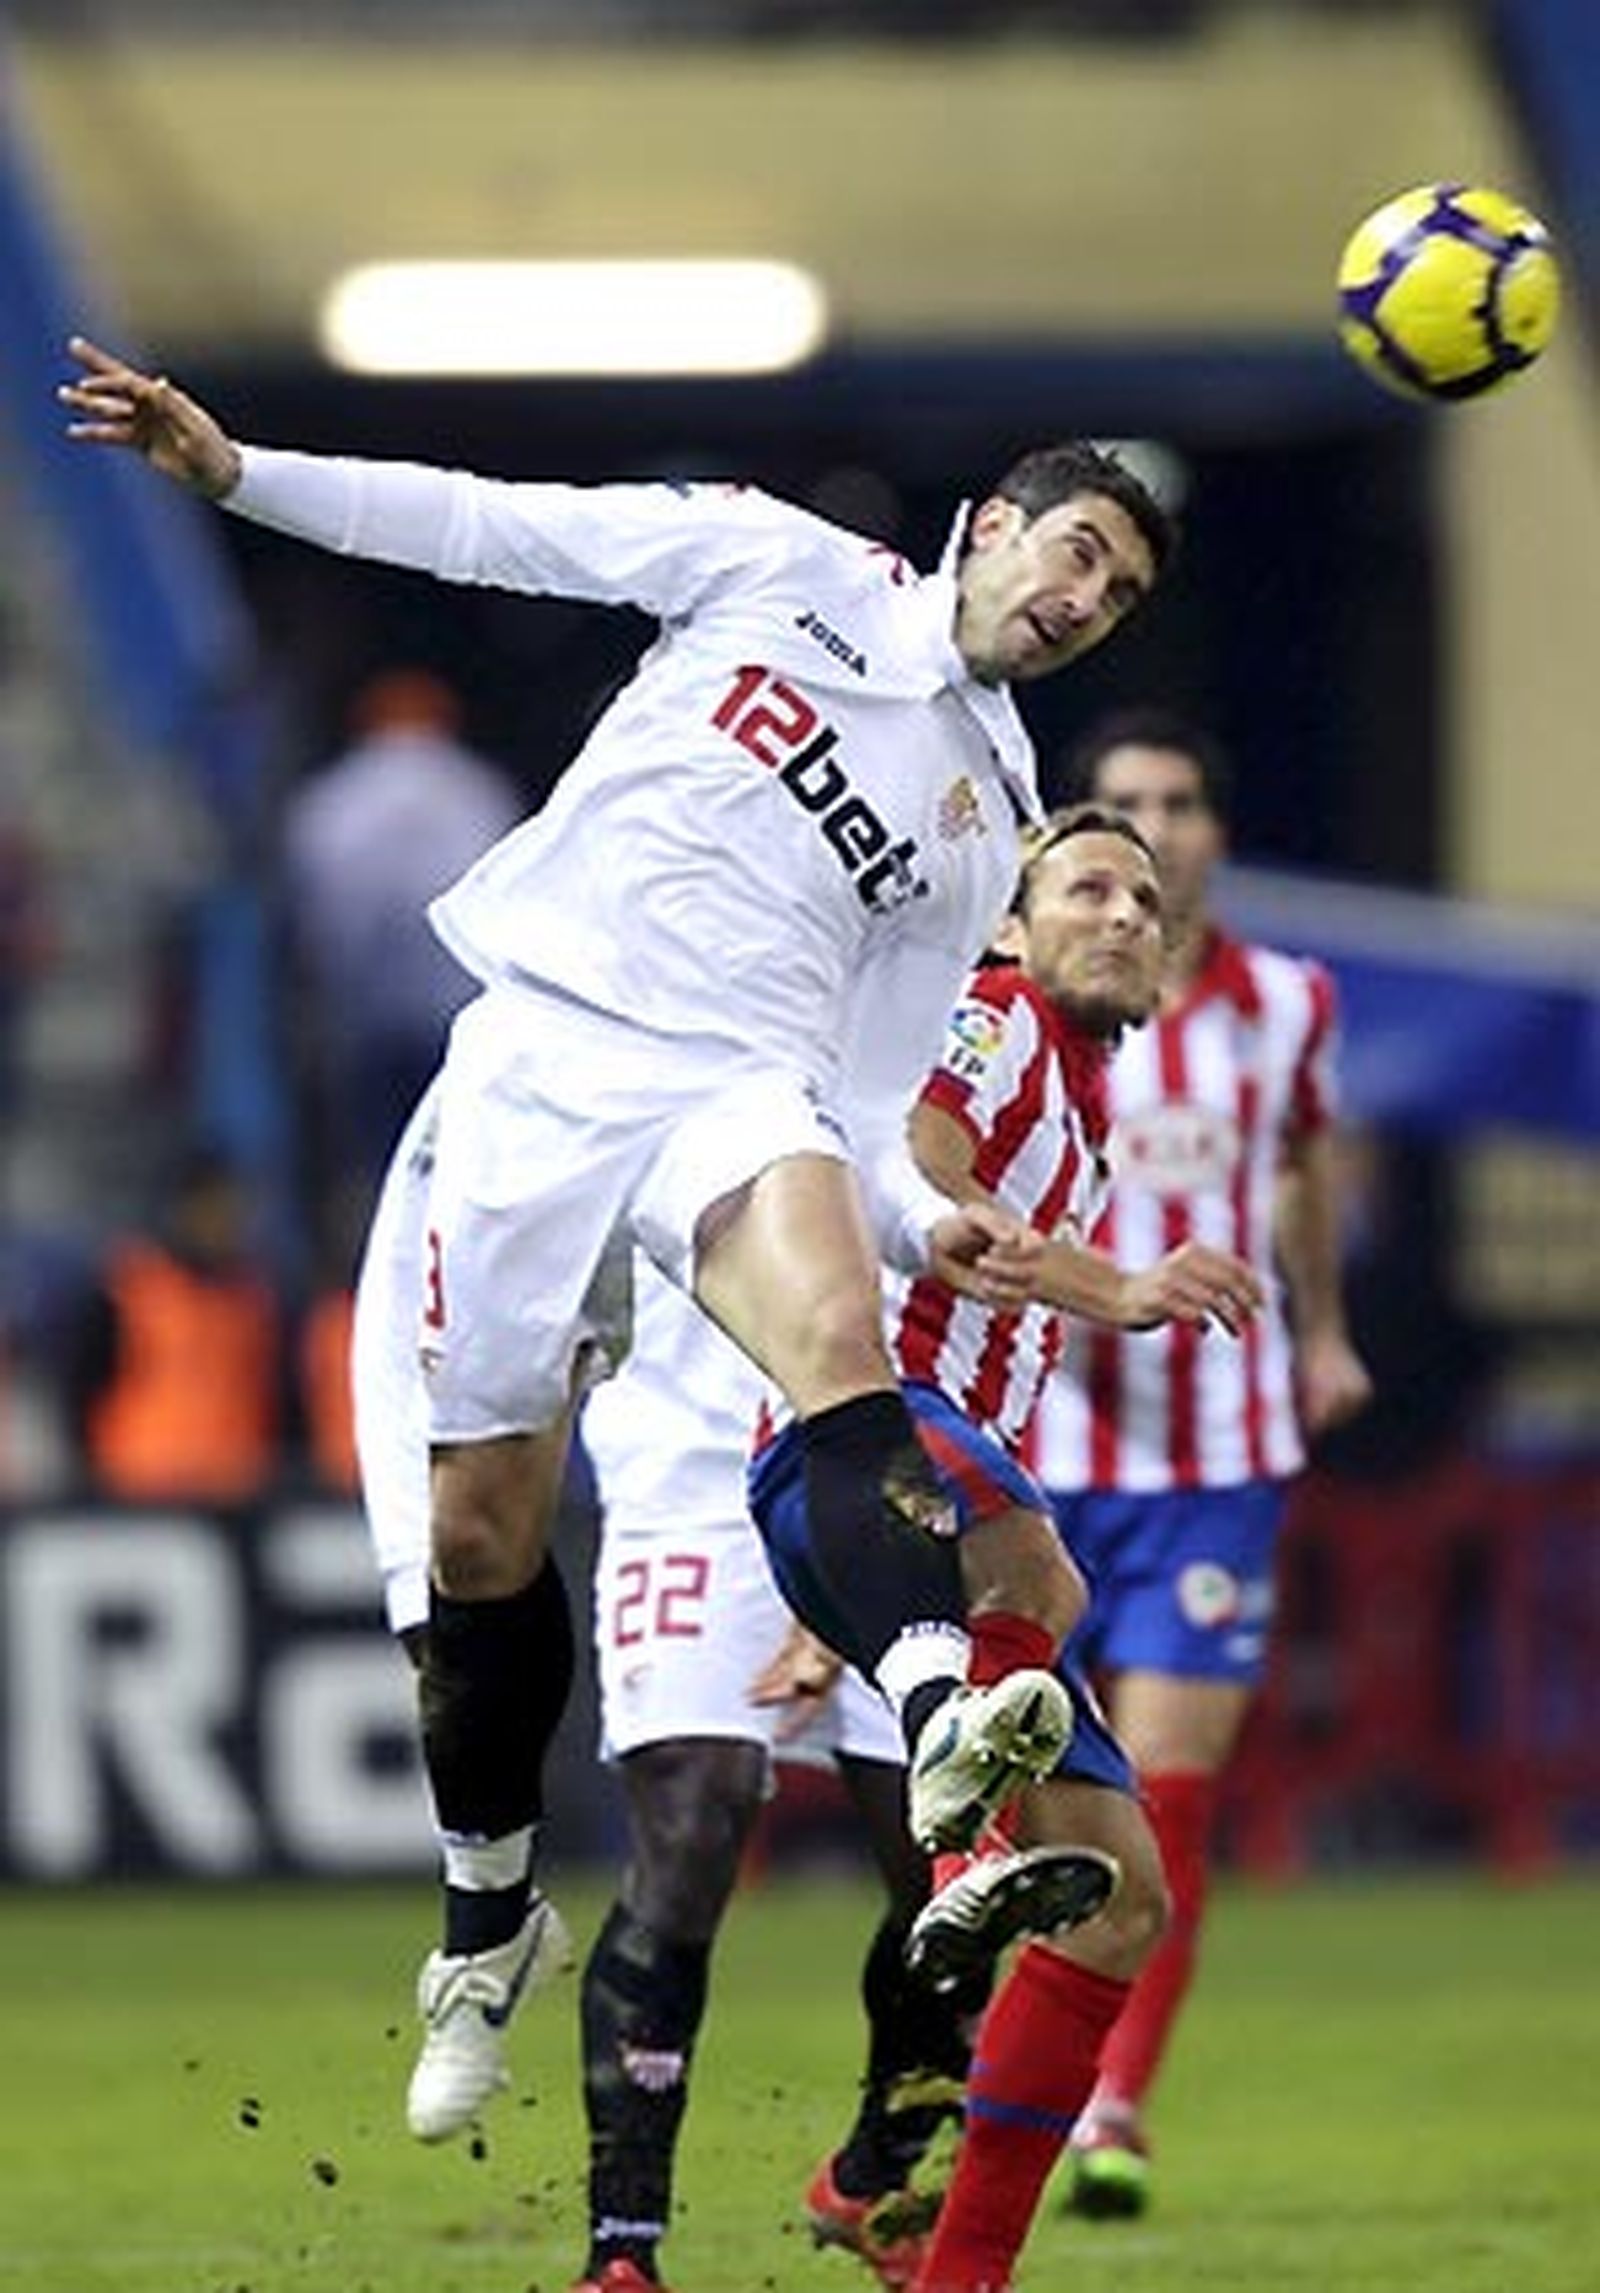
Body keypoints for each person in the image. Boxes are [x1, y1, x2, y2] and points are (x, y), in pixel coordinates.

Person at [61, 336, 1174, 2149]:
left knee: (839, 1340)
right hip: (541, 1064)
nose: (1078, 599)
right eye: (1069, 553)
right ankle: (488, 1907)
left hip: (735, 1095)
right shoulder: (773, 563)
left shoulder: (992, 824)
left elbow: (877, 1102)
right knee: (482, 1540)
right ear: (987, 530)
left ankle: (929, 1698)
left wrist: (924, 1212)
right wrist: (236, 470)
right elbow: (494, 530)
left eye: (1114, 594)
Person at [749, 804, 1265, 2293]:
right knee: (1044, 1571)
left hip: (939, 1504)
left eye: (1145, 902)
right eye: (1086, 888)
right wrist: (1124, 1289)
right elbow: (911, 1167)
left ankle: (949, 2262)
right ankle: (967, 1845)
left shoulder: (1092, 1097)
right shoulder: (989, 1020)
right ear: (1012, 925)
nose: (1120, 915)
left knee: (1125, 1901)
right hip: (872, 1426)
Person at [355, 1085, 973, 2293]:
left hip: (880, 1453)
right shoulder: (553, 1024)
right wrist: (412, 1569)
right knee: (694, 1818)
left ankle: (879, 2169)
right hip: (684, 1476)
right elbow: (415, 1296)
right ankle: (621, 2252)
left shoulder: (904, 978)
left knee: (939, 1853)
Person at [1029, 709, 1373, 2219]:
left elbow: (1300, 1159)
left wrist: (1323, 1329)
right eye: (1121, 805)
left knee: (1168, 1799)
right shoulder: (1025, 995)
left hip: (1218, 1457)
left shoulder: (1287, 1003)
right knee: (1013, 1804)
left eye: (1177, 803)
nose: (1152, 828)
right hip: (1038, 1445)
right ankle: (992, 2081)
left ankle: (1111, 2104)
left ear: (1218, 833)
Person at [281, 666, 521, 1190]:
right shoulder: (478, 791)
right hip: (458, 1013)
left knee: (378, 1168)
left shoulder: (333, 798)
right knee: (457, 1165)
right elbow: (509, 905)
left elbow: (320, 913)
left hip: (365, 1010)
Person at [66, 1141, 284, 1505]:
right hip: (143, 1500)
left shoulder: (255, 1298)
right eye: (209, 1207)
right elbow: (81, 1392)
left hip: (238, 1501)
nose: (222, 1221)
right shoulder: (127, 1291)